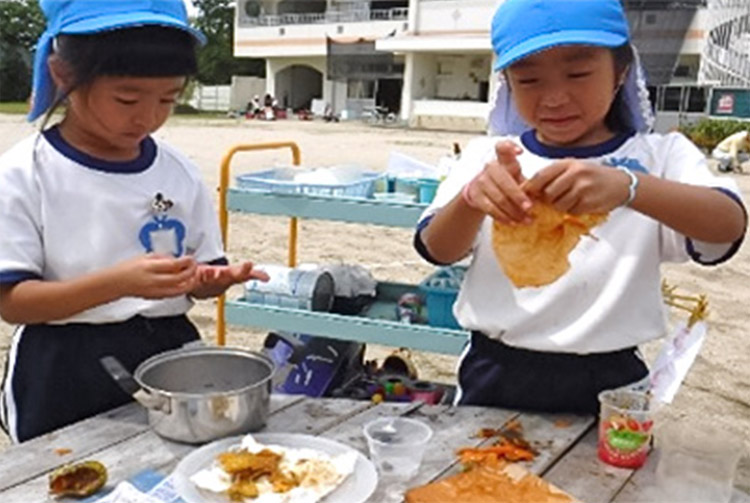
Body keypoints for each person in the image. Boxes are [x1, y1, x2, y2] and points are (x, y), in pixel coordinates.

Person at [414, 0, 747, 415]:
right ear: (507, 85)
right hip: (496, 370)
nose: (554, 97)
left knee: (605, 480)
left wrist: (630, 187)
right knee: (479, 477)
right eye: (529, 79)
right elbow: (437, 248)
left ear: (621, 72)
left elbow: (728, 224)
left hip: (610, 379)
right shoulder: (491, 157)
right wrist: (471, 200)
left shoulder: (658, 156)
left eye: (578, 73)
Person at [0, 0, 269, 443]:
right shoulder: (25, 173)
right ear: (62, 75)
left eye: (169, 98)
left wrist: (214, 279)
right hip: (64, 366)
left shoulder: (178, 172)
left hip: (168, 353)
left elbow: (198, 278)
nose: (147, 117)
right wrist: (119, 283)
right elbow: (13, 302)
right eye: (126, 98)